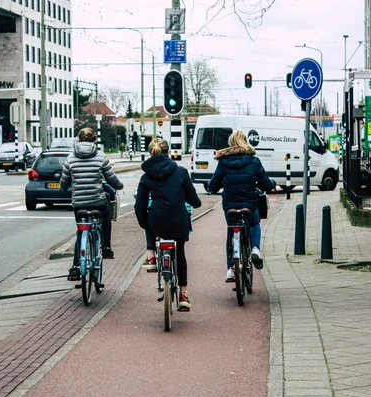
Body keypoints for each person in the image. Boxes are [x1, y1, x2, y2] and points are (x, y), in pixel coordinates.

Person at [134, 138, 201, 311]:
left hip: (156, 222)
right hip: (178, 221)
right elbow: (193, 199)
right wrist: (195, 203)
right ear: (168, 153)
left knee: (148, 214)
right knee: (180, 252)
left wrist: (145, 225)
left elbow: (139, 206)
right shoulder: (180, 172)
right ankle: (184, 294)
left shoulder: (146, 176)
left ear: (150, 154)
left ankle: (151, 255)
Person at [208, 130, 275, 283]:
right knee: (254, 223)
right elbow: (265, 183)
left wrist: (211, 187)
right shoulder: (254, 161)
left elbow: (213, 184)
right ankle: (255, 248)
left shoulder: (223, 162)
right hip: (249, 205)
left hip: (230, 206)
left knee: (231, 231)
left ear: (231, 144)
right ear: (246, 142)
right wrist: (272, 185)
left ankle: (231, 269)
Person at [60, 127, 123, 281]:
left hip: (79, 204)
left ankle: (76, 267)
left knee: (80, 231)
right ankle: (106, 247)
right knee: (106, 212)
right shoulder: (101, 157)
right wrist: (119, 186)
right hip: (97, 202)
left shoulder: (70, 158)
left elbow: (64, 183)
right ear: (95, 139)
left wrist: (65, 188)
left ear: (78, 140)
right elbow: (111, 179)